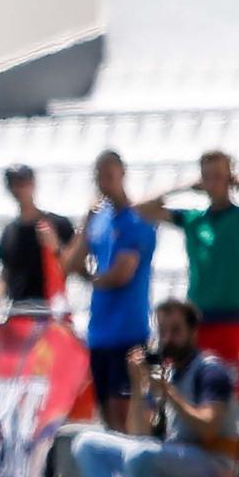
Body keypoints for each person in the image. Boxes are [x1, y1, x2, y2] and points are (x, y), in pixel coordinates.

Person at [69, 299, 239, 477]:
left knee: (141, 455)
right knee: (87, 443)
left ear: (193, 333)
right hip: (176, 456)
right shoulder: (168, 374)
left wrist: (169, 394)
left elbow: (208, 428)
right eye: (163, 331)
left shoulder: (210, 371)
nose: (167, 338)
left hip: (212, 463)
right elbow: (139, 434)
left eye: (175, 330)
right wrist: (138, 386)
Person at [137, 151, 239, 396]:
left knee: (230, 389)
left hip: (232, 318)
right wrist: (185, 187)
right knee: (192, 388)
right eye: (208, 176)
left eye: (219, 176)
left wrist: (237, 179)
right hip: (198, 320)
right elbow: (142, 207)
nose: (213, 182)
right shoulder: (194, 219)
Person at [62, 150, 156, 430]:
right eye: (101, 177)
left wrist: (93, 280)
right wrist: (85, 222)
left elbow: (121, 273)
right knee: (107, 412)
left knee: (129, 411)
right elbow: (69, 263)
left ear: (122, 175)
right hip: (100, 332)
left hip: (129, 330)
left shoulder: (137, 220)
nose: (105, 183)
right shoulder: (99, 220)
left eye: (110, 176)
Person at [0, 165, 73, 314]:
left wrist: (56, 247)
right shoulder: (9, 232)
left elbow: (74, 267)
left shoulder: (57, 224)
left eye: (22, 182)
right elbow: (6, 274)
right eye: (13, 184)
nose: (18, 189)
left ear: (33, 183)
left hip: (51, 311)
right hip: (18, 312)